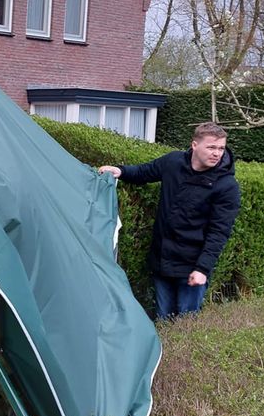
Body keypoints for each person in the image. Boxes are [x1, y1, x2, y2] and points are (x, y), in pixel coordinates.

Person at [98, 122, 241, 319]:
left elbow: (219, 232)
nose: (217, 153)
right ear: (194, 145)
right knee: (163, 319)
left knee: (186, 325)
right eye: (211, 147)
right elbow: (145, 172)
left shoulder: (226, 186)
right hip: (162, 261)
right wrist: (120, 171)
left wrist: (202, 269)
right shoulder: (173, 162)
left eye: (221, 148)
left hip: (192, 267)